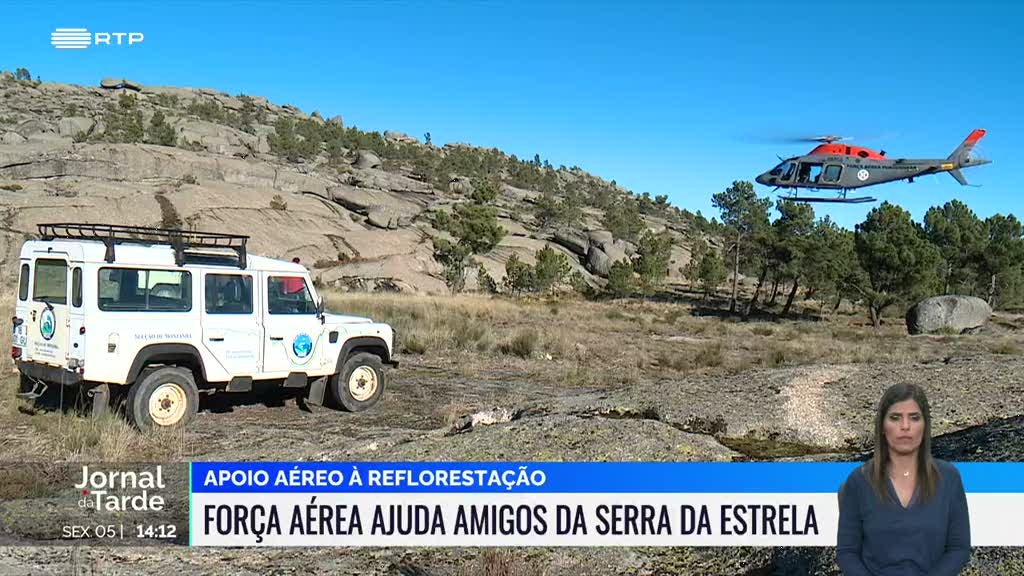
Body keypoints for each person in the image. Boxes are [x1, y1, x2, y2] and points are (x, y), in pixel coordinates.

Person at [836, 384, 970, 575]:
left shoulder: (949, 478)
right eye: (895, 417)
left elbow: (959, 549)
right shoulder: (859, 481)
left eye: (914, 418)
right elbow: (847, 552)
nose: (905, 426)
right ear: (882, 426)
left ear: (925, 426)